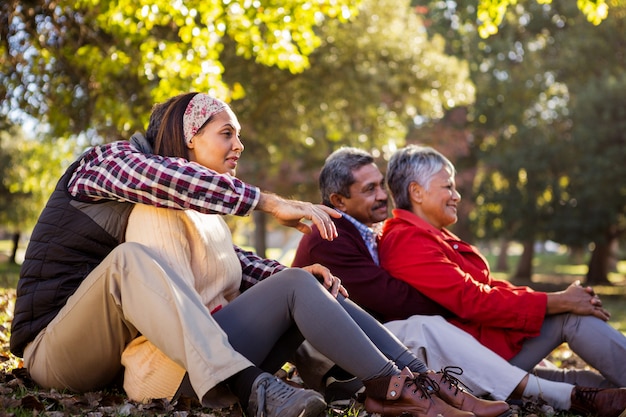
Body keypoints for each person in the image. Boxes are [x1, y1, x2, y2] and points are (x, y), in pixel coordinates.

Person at [8, 92, 479, 417]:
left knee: (299, 281)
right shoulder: (108, 164)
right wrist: (270, 202)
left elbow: (225, 260)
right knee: (129, 261)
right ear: (190, 137)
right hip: (56, 348)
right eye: (226, 134)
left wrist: (294, 278)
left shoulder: (184, 211)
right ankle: (250, 386)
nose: (239, 146)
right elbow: (165, 179)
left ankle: (417, 379)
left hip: (122, 344)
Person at [292, 147, 626, 416]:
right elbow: (397, 301)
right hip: (363, 361)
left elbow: (481, 288)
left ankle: (592, 395)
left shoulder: (378, 234)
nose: (383, 195)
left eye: (381, 184)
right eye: (370, 189)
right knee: (568, 320)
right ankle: (573, 395)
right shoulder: (338, 237)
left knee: (571, 373)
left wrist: (475, 295)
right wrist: (463, 296)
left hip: (436, 346)